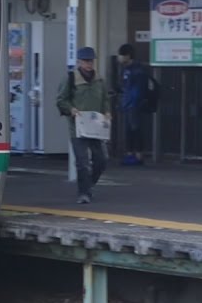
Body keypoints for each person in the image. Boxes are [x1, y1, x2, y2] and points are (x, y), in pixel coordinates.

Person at [56, 46, 109, 204]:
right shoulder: (70, 78)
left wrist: (107, 111)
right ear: (79, 61)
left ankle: (89, 184)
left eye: (91, 61)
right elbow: (61, 100)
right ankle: (84, 192)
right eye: (85, 61)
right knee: (82, 161)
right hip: (78, 127)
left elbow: (105, 99)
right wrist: (70, 110)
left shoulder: (99, 80)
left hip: (96, 126)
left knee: (102, 159)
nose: (89, 64)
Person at [117, 43, 149, 165]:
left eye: (121, 55)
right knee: (129, 131)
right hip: (127, 104)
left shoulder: (137, 70)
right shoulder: (126, 69)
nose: (119, 58)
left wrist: (134, 103)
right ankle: (130, 154)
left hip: (134, 105)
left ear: (128, 56)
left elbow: (138, 90)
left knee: (136, 129)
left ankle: (138, 155)